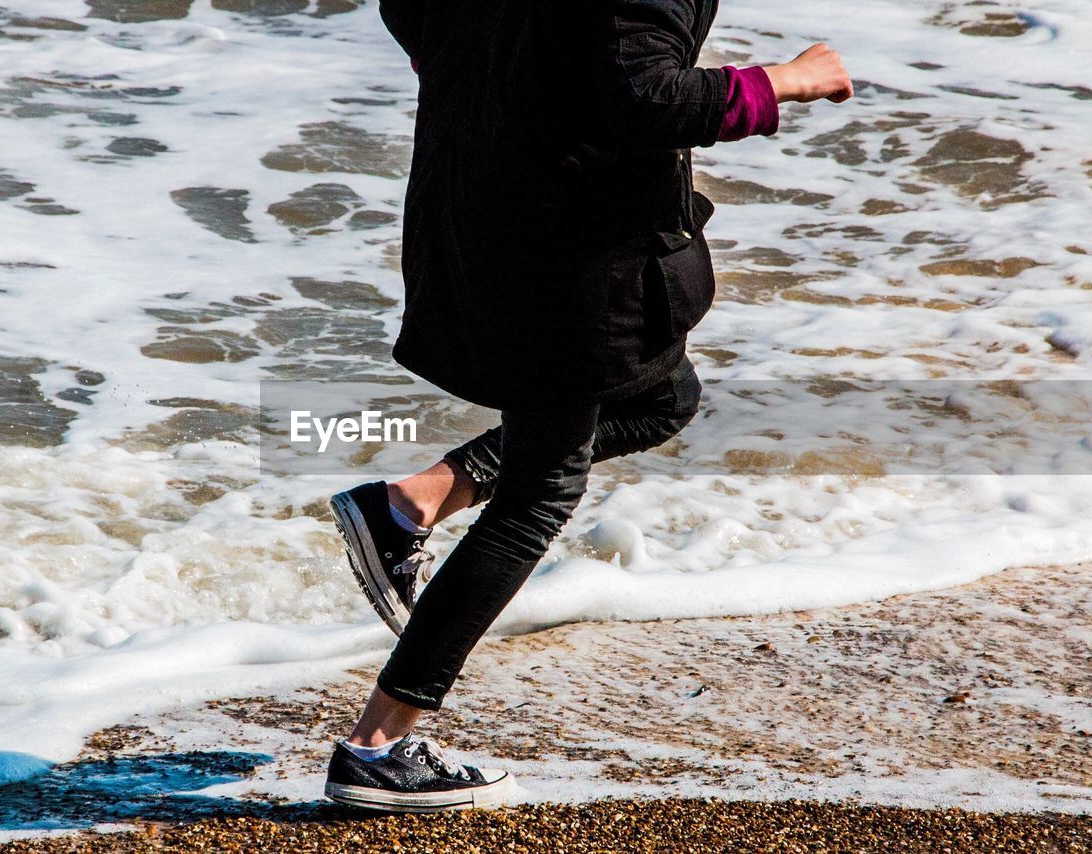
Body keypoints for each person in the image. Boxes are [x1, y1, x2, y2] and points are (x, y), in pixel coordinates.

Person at [323, 0, 852, 812]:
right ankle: (378, 745)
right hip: (563, 260)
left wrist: (500, 76)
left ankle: (414, 501)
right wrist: (789, 82)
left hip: (489, 209)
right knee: (540, 494)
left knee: (664, 398)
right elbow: (647, 98)